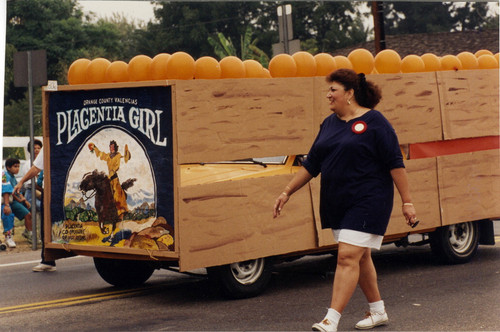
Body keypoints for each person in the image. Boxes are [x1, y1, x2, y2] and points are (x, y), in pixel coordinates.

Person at [273, 69, 418, 332]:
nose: (328, 95)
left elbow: (395, 164)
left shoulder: (376, 122)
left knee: (347, 257)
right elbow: (312, 164)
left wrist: (407, 202)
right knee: (360, 258)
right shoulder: (329, 123)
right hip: (338, 201)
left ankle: (331, 319)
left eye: (333, 90)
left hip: (369, 200)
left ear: (349, 94)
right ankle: (377, 311)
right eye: (328, 90)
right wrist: (286, 192)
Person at [14, 147, 56, 272]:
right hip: (48, 191)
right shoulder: (49, 144)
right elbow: (36, 168)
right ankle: (48, 259)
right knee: (46, 226)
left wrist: (21, 181)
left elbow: (36, 168)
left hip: (58, 190)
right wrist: (21, 181)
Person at [88, 140, 131, 219]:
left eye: (112, 146)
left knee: (117, 194)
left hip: (114, 178)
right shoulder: (108, 156)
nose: (110, 148)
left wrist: (112, 173)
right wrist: (94, 147)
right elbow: (101, 154)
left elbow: (116, 166)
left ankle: (120, 212)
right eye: (110, 146)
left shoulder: (118, 155)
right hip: (108, 178)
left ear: (115, 147)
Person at [4, 158, 33, 242]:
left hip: (16, 200)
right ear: (8, 167)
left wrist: (24, 199)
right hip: (11, 201)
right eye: (15, 166)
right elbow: (11, 192)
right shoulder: (6, 176)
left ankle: (27, 231)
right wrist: (20, 200)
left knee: (30, 210)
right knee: (28, 214)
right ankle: (30, 234)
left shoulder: (13, 177)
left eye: (18, 166)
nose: (17, 168)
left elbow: (17, 190)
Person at [23, 139, 43, 211]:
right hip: (32, 193)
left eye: (38, 148)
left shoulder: (44, 163)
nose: (37, 150)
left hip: (42, 192)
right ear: (30, 150)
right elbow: (32, 184)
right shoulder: (28, 164)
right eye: (34, 148)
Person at [2, 170, 16, 247]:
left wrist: (6, 205)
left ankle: (8, 236)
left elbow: (6, 189)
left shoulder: (2, 174)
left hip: (2, 202)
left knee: (7, 212)